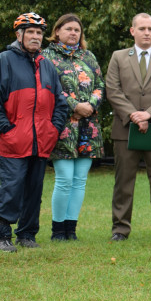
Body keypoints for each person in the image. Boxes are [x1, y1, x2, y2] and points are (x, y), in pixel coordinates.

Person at [0, 12, 68, 252]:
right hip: (14, 141)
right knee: (12, 188)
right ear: (19, 35)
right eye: (30, 32)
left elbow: (60, 104)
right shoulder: (5, 60)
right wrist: (5, 130)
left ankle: (27, 234)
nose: (35, 36)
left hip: (41, 141)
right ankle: (2, 235)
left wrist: (53, 130)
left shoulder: (47, 65)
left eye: (39, 33)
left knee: (34, 190)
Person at [105, 13, 151, 241]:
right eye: (142, 28)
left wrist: (149, 114)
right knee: (123, 182)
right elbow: (113, 90)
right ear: (132, 31)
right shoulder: (118, 57)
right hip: (125, 129)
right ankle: (120, 229)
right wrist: (134, 115)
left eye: (150, 28)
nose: (146, 32)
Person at [42, 13, 105, 242]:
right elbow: (49, 89)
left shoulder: (88, 57)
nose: (73, 33)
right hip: (62, 126)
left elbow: (99, 84)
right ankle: (58, 230)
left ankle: (71, 228)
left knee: (80, 179)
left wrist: (91, 105)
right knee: (64, 178)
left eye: (77, 30)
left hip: (89, 126)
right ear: (57, 31)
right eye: (68, 29)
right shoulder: (46, 57)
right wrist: (75, 106)